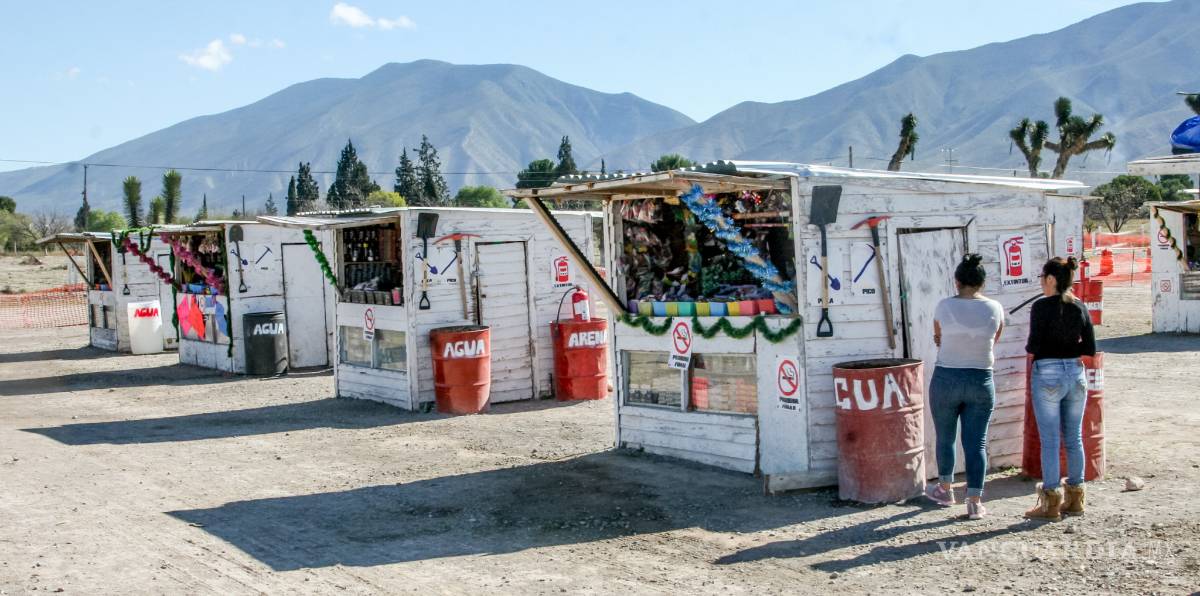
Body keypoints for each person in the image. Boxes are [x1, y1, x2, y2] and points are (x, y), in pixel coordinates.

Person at [925, 253, 1004, 520]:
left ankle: (945, 489)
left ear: (956, 281)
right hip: (981, 379)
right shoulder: (995, 308)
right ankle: (974, 501)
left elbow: (938, 337)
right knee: (976, 443)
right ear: (982, 282)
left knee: (945, 437)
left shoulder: (944, 306)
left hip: (946, 377)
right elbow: (995, 338)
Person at [1024, 257, 1096, 521]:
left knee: (1051, 440)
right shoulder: (1080, 306)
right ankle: (1075, 498)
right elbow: (1090, 348)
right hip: (1076, 373)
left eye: (1043, 278)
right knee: (1074, 437)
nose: (1041, 283)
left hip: (1048, 372)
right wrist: (1069, 349)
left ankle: (1050, 502)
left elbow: (1032, 346)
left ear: (1051, 280)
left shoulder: (1041, 307)